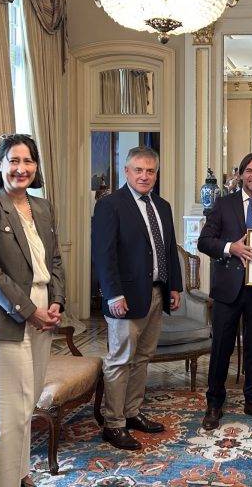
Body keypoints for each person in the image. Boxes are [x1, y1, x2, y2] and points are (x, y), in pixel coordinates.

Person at [0, 134, 64, 487]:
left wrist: (56, 301)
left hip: (40, 314)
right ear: (1, 164)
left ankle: (19, 475)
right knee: (10, 411)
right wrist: (29, 310)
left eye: (28, 162)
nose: (21, 169)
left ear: (36, 168)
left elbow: (54, 260)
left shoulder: (43, 207)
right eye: (14, 161)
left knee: (26, 406)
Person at [92, 146, 182, 451]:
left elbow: (169, 249)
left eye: (150, 171)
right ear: (126, 171)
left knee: (142, 358)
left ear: (156, 174)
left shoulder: (163, 205)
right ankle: (113, 424)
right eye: (138, 170)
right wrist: (113, 293)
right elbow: (104, 256)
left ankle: (131, 413)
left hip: (156, 292)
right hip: (125, 298)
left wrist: (174, 286)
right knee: (120, 360)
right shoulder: (110, 205)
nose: (145, 176)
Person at [197, 153, 252, 430]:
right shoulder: (223, 205)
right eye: (249, 171)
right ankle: (214, 403)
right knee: (221, 348)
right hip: (228, 290)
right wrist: (230, 248)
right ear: (240, 174)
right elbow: (204, 242)